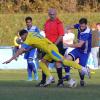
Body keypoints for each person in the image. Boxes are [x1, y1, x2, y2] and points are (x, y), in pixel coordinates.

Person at [3, 29, 90, 87]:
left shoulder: (28, 38)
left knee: (64, 61)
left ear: (25, 34)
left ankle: (83, 69)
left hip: (50, 49)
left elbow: (20, 50)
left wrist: (10, 59)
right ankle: (50, 77)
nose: (22, 38)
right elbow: (33, 45)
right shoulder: (33, 34)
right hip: (50, 48)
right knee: (42, 62)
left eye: (22, 36)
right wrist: (24, 50)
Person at [37, 8, 65, 87]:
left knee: (58, 62)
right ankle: (43, 81)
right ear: (48, 14)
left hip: (57, 45)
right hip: (47, 45)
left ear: (56, 14)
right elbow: (46, 35)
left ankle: (60, 82)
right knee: (44, 62)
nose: (52, 16)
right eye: (50, 14)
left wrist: (54, 44)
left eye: (53, 14)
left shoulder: (59, 23)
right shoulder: (47, 22)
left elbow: (61, 35)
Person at [62, 18, 92, 86]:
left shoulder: (87, 32)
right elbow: (70, 26)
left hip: (84, 52)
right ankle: (67, 75)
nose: (81, 28)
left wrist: (68, 45)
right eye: (80, 26)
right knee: (67, 59)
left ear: (86, 25)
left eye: (83, 26)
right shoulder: (79, 26)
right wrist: (65, 29)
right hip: (78, 50)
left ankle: (82, 80)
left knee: (81, 70)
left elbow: (79, 45)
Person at [24, 16, 40, 81]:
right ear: (26, 23)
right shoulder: (24, 30)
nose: (28, 23)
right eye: (27, 22)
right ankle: (30, 77)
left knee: (30, 61)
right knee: (28, 63)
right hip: (26, 48)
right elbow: (23, 39)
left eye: (29, 22)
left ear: (31, 22)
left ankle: (35, 73)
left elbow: (38, 37)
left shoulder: (35, 28)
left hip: (33, 47)